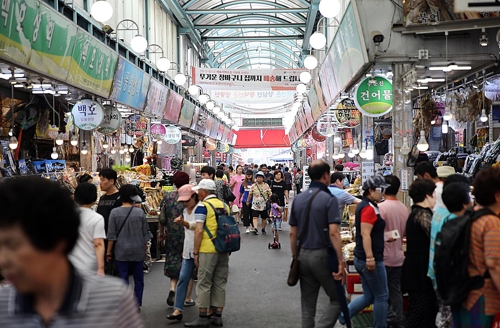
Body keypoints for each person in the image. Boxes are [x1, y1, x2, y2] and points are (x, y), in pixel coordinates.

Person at [0, 177, 143, 327]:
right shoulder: (3, 307)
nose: (3, 260)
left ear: (55, 240)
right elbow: (99, 243)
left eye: (13, 245)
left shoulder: (113, 300)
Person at [289, 160, 344, 328]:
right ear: (326, 176)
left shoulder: (299, 199)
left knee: (308, 305)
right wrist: (341, 261)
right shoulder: (329, 199)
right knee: (337, 299)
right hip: (322, 255)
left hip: (303, 254)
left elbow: (293, 233)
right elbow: (334, 232)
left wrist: (296, 256)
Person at [451, 166, 500, 326]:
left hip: (464, 294)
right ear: (497, 196)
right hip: (483, 298)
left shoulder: (470, 216)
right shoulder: (491, 222)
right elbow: (493, 264)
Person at [340, 175, 390, 328]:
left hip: (362, 256)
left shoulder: (367, 205)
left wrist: (385, 237)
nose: (382, 193)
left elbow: (370, 232)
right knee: (382, 296)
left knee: (369, 296)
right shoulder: (368, 207)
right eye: (380, 190)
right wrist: (370, 258)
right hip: (369, 257)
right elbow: (366, 234)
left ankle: (344, 315)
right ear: (370, 191)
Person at [185, 179, 231, 327]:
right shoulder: (224, 206)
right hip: (223, 248)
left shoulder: (202, 207)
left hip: (207, 249)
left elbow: (199, 230)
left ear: (204, 191)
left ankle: (203, 317)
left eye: (199, 191)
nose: (197, 193)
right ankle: (218, 315)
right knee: (220, 282)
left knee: (204, 282)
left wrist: (196, 252)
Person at [431, 182, 473, 328]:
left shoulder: (438, 215)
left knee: (449, 318)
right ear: (464, 202)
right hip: (460, 287)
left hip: (443, 281)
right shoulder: (461, 224)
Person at [402, 179, 438, 328]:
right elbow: (436, 237)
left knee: (423, 309)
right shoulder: (422, 214)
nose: (435, 197)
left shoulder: (417, 212)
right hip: (420, 270)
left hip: (416, 267)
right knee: (420, 311)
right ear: (427, 196)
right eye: (434, 194)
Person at [106, 184, 150, 309]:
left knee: (123, 278)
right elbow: (145, 234)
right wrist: (146, 251)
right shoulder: (140, 213)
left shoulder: (114, 213)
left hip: (121, 251)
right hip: (138, 250)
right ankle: (137, 304)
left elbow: (111, 235)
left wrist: (109, 252)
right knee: (139, 279)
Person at [378, 175, 409, 328]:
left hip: (383, 257)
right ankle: (397, 319)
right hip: (398, 257)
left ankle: (387, 319)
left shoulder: (380, 208)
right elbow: (403, 235)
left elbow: (376, 234)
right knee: (395, 290)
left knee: (381, 293)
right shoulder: (404, 209)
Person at [167, 184, 200, 322]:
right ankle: (178, 310)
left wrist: (183, 223)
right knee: (182, 279)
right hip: (187, 250)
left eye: (187, 200)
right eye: (183, 201)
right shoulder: (185, 210)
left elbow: (197, 227)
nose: (185, 203)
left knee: (205, 282)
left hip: (200, 250)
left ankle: (208, 312)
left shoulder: (201, 208)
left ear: (194, 196)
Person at [158, 171, 190, 306]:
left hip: (172, 234)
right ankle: (187, 297)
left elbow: (162, 217)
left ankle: (172, 288)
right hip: (188, 233)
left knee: (173, 261)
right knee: (188, 263)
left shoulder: (168, 196)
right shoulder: (190, 196)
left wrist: (161, 233)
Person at [70, 182, 106, 276]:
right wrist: (101, 268)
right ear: (94, 198)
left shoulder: (67, 215)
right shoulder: (97, 218)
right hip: (90, 263)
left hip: (71, 262)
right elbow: (98, 244)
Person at [97, 168, 122, 235]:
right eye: (100, 180)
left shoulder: (120, 197)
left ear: (111, 181)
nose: (100, 183)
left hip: (115, 235)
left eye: (103, 180)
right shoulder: (102, 198)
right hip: (102, 234)